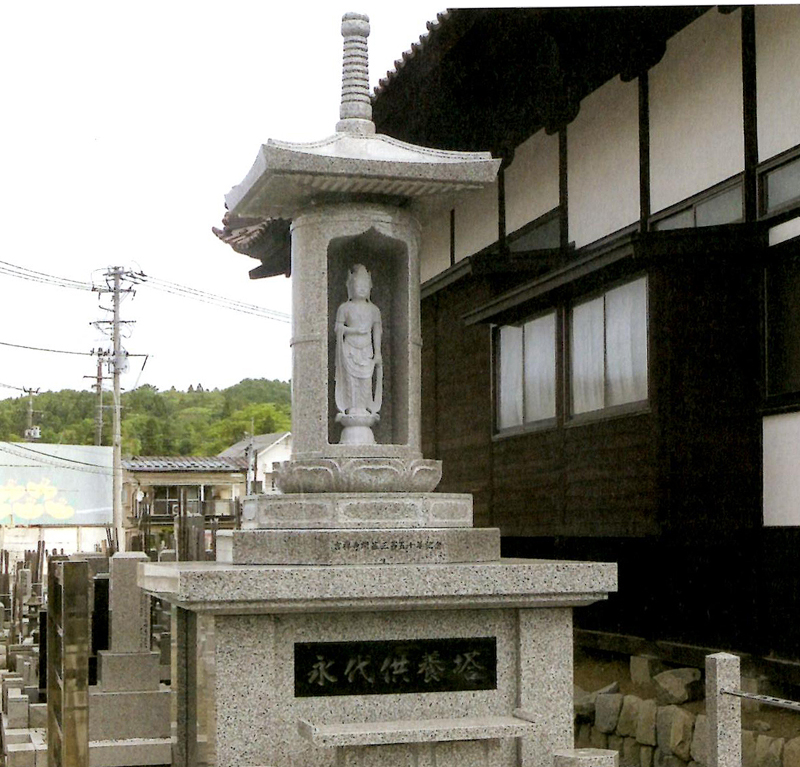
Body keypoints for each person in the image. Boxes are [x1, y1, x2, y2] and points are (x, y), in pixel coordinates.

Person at [334, 264, 383, 418]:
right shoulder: (344, 308)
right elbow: (338, 328)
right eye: (358, 285)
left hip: (367, 350)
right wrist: (354, 330)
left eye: (365, 285)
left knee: (366, 381)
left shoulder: (374, 310)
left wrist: (378, 352)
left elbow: (377, 331)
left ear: (370, 287)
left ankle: (363, 408)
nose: (361, 288)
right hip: (349, 348)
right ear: (350, 287)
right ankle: (352, 408)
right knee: (351, 381)